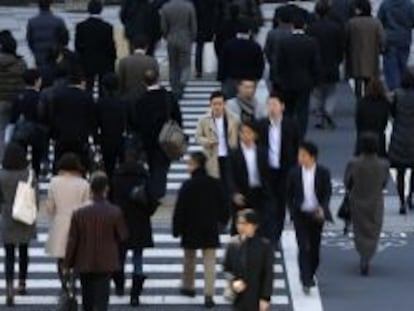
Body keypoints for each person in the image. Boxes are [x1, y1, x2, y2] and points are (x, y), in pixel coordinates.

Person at [64, 172, 128, 311]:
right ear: (106, 189)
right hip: (106, 261)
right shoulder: (115, 211)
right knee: (102, 299)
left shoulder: (79, 213)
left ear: (91, 189)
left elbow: (72, 240)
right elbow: (122, 236)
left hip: (84, 260)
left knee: (87, 298)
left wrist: (67, 264)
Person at [173, 152, 229, 309]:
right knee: (209, 262)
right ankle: (209, 295)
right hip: (210, 227)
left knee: (189, 259)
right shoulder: (215, 183)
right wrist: (222, 222)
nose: (187, 166)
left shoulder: (187, 185)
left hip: (190, 227)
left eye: (189, 163)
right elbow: (224, 205)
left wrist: (177, 229)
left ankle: (189, 286)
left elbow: (180, 210)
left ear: (196, 164)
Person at [112, 148, 156, 306]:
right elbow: (152, 200)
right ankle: (135, 295)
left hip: (120, 221)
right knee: (138, 258)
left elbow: (111, 200)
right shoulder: (144, 176)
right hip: (140, 223)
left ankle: (119, 285)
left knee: (120, 257)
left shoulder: (117, 177)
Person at [287, 141, 332, 294]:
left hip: (316, 215)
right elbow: (289, 193)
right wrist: (292, 210)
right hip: (300, 215)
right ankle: (305, 278)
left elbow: (327, 194)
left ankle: (310, 273)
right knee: (303, 247)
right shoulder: (294, 172)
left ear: (312, 157)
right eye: (299, 155)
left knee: (315, 249)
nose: (300, 158)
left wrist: (322, 208)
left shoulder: (323, 172)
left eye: (303, 155)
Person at [131, 69, 182, 201]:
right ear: (158, 79)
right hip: (166, 138)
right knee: (162, 167)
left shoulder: (140, 100)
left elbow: (135, 122)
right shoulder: (168, 97)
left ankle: (153, 191)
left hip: (148, 140)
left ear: (144, 82)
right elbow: (177, 117)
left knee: (152, 166)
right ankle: (158, 192)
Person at [257, 93, 300, 247]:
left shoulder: (291, 125)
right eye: (269, 105)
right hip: (267, 171)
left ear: (282, 106)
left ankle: (275, 236)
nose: (272, 108)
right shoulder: (261, 125)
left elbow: (297, 147)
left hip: (285, 170)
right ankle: (267, 234)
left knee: (281, 204)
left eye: (275, 105)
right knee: (268, 204)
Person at [345, 134, 389, 276]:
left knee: (359, 229)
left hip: (358, 199)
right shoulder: (383, 164)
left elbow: (347, 182)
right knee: (373, 230)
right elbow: (384, 183)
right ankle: (368, 255)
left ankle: (363, 255)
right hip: (375, 201)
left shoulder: (353, 163)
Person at [45, 153, 90, 293]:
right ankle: (74, 281)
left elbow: (50, 208)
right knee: (77, 256)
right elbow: (87, 207)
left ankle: (64, 283)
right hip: (78, 223)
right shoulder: (84, 184)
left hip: (60, 222)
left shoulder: (54, 182)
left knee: (61, 257)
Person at [0, 144, 36, 306]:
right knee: (23, 250)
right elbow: (34, 196)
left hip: (8, 216)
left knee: (9, 254)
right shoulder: (28, 174)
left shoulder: (2, 175)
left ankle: (9, 287)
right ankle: (22, 282)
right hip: (24, 215)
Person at [276, 12, 321, 139]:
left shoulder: (284, 42)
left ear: (292, 26)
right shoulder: (311, 42)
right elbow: (315, 64)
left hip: (287, 81)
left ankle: (287, 133)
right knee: (302, 110)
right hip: (305, 81)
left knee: (288, 110)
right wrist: (315, 80)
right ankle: (300, 135)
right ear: (305, 26)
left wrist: (280, 79)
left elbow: (279, 63)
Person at [223, 209, 273, 311]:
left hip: (256, 297)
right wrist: (233, 281)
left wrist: (265, 298)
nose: (241, 226)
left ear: (254, 226)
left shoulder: (264, 246)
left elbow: (268, 274)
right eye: (239, 223)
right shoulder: (232, 244)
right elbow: (227, 268)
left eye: (245, 223)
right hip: (238, 298)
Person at [308, 0, 345, 129]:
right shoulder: (336, 28)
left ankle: (319, 115)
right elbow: (341, 47)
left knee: (316, 92)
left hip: (316, 64)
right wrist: (339, 60)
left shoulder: (311, 28)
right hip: (332, 63)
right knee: (331, 91)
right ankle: (328, 111)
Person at [48, 70, 95, 171]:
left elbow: (53, 116)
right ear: (82, 82)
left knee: (59, 162)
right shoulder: (87, 96)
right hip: (80, 136)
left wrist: (53, 133)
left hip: (62, 135)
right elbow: (91, 118)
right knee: (81, 162)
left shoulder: (58, 95)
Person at [229, 122, 271, 236]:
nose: (245, 135)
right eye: (242, 132)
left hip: (260, 193)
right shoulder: (233, 153)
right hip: (242, 194)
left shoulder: (263, 152)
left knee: (260, 227)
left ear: (255, 135)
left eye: (249, 132)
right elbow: (229, 176)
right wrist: (234, 193)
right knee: (240, 228)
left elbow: (269, 174)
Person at [11, 69, 47, 177]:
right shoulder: (41, 96)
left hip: (22, 130)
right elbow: (44, 115)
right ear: (37, 81)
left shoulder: (19, 96)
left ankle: (22, 176)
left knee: (21, 155)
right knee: (37, 157)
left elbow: (13, 117)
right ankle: (35, 176)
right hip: (38, 130)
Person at [345, 0, 385, 99]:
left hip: (355, 56)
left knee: (357, 81)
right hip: (372, 56)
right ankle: (368, 98)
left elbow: (346, 39)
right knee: (370, 80)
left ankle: (358, 100)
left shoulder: (352, 22)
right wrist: (381, 49)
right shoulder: (376, 22)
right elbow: (382, 39)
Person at [75, 0, 116, 94]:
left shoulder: (81, 26)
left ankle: (88, 106)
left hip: (86, 62)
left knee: (88, 87)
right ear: (101, 10)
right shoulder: (107, 27)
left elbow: (78, 46)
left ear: (88, 10)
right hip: (104, 62)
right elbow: (111, 47)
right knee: (103, 89)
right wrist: (112, 63)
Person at [196, 91, 239, 180]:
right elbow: (197, 137)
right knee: (215, 183)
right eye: (214, 104)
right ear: (210, 104)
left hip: (229, 156)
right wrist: (207, 141)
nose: (217, 107)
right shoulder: (203, 120)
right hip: (212, 156)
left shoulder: (234, 119)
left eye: (220, 104)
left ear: (224, 104)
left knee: (229, 182)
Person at [388, 69, 414, 214]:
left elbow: (392, 113)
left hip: (399, 136)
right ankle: (411, 195)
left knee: (400, 172)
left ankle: (401, 202)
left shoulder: (397, 95)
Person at [161, 0, 197, 99]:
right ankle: (182, 82)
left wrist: (166, 36)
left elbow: (163, 26)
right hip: (185, 37)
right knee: (185, 64)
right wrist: (192, 37)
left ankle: (174, 87)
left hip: (171, 37)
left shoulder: (166, 7)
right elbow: (193, 24)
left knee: (173, 65)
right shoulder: (189, 6)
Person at [218, 25, 264, 99]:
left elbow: (223, 62)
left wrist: (221, 77)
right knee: (246, 103)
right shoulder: (255, 46)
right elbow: (260, 64)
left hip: (231, 79)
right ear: (249, 32)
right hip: (249, 79)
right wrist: (257, 77)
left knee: (230, 104)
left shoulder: (228, 44)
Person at [0, 30, 26, 157]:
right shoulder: (21, 63)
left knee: (1, 130)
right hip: (17, 102)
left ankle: (3, 158)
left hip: (1, 101)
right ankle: (15, 155)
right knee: (16, 131)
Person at [378, 0, 414, 91]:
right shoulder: (409, 5)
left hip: (389, 40)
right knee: (402, 65)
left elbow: (379, 22)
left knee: (390, 69)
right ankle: (404, 91)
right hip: (404, 39)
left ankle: (394, 91)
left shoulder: (385, 4)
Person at [26, 0, 67, 79]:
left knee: (40, 78)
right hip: (54, 56)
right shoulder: (59, 21)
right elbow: (64, 40)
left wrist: (34, 51)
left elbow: (29, 39)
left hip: (38, 55)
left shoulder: (32, 21)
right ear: (50, 5)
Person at [96, 73, 126, 180]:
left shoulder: (100, 103)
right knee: (123, 167)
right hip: (121, 138)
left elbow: (96, 122)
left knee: (109, 167)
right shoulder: (123, 102)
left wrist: (96, 139)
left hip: (106, 138)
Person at [117, 36, 159, 104]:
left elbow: (120, 83)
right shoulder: (152, 61)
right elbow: (155, 82)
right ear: (146, 47)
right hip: (147, 98)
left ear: (133, 46)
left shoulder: (124, 61)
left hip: (128, 98)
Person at [355, 78, 390, 158]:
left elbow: (358, 122)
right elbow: (385, 121)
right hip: (379, 136)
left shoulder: (362, 103)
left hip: (363, 135)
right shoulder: (384, 103)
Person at [265, 6, 293, 91]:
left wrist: (272, 61)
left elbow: (267, 51)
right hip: (291, 70)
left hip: (275, 70)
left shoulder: (272, 34)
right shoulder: (293, 34)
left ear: (278, 19)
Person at [192, 0, 219, 78]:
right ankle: (218, 67)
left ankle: (198, 70)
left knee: (199, 48)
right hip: (209, 25)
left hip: (199, 26)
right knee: (217, 47)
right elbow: (214, 12)